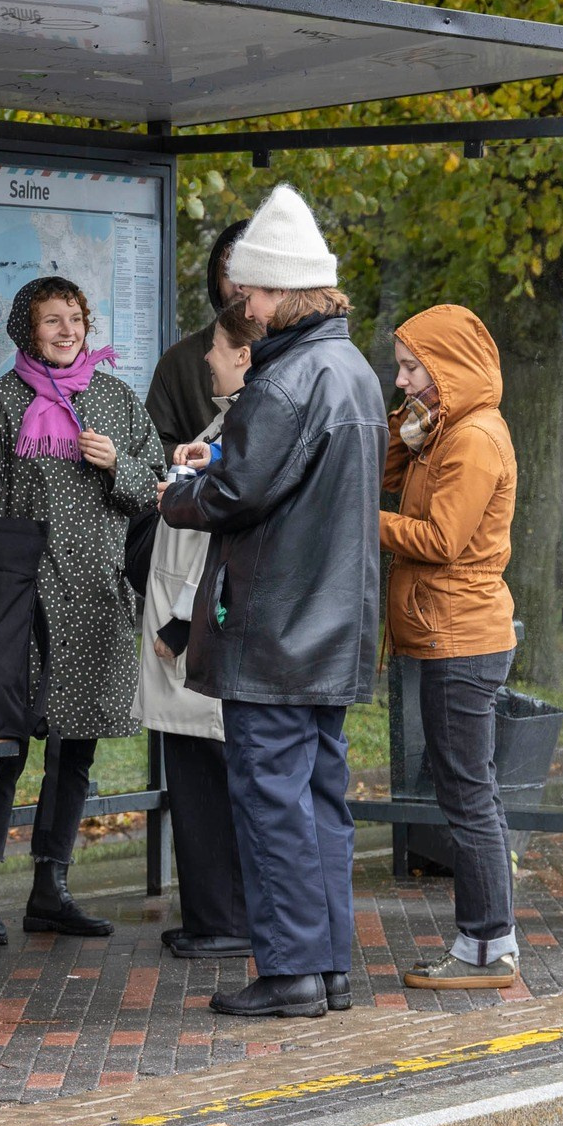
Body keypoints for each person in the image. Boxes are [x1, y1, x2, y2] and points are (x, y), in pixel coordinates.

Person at [158, 183, 382, 1019]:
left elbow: (233, 496)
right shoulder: (352, 370)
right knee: (322, 802)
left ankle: (289, 969)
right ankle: (326, 969)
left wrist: (178, 489)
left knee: (272, 803)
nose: (239, 301)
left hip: (274, 631)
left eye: (249, 288)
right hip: (331, 628)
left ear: (284, 289)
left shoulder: (287, 380)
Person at [0, 277, 165, 943]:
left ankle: (52, 887)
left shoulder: (116, 400)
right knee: (1, 754)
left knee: (74, 753)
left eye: (75, 317)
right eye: (52, 320)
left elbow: (155, 486)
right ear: (26, 328)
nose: (67, 330)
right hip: (22, 606)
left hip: (96, 602)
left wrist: (118, 466)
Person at [378, 305, 523, 991]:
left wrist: (361, 519)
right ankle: (485, 939)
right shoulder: (444, 431)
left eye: (412, 367)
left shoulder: (473, 439)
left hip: (458, 635)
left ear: (450, 368)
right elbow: (388, 483)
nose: (401, 379)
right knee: (467, 787)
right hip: (448, 630)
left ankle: (488, 945)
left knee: (468, 792)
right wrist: (404, 437)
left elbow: (440, 539)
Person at [137, 298, 263, 959]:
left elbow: (227, 536)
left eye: (216, 346)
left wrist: (181, 625)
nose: (206, 356)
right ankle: (212, 911)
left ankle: (222, 916)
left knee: (206, 775)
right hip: (189, 624)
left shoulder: (249, 424)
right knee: (196, 771)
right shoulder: (230, 421)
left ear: (244, 355)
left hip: (194, 630)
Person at [146, 219, 249, 451]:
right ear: (215, 280)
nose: (240, 285)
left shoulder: (295, 356)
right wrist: (198, 458)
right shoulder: (179, 361)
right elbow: (151, 449)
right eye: (229, 273)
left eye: (250, 272)